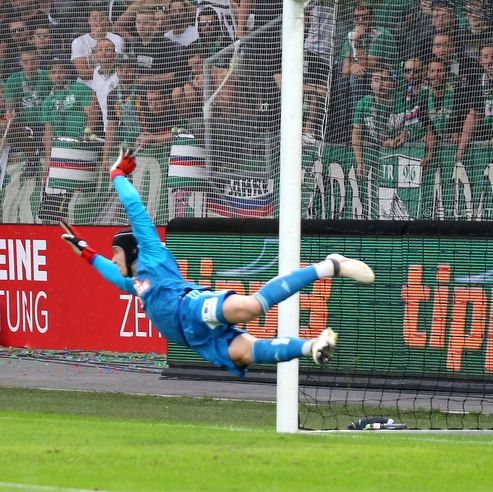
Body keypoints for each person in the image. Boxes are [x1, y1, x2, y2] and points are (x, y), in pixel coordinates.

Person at [60, 148, 375, 375]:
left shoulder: (151, 251)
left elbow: (133, 204)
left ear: (131, 251)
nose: (113, 259)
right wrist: (86, 252)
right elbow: (113, 276)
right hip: (197, 339)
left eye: (116, 253)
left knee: (251, 308)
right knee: (247, 354)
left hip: (194, 308)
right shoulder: (139, 283)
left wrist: (117, 175)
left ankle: (329, 265)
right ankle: (313, 347)